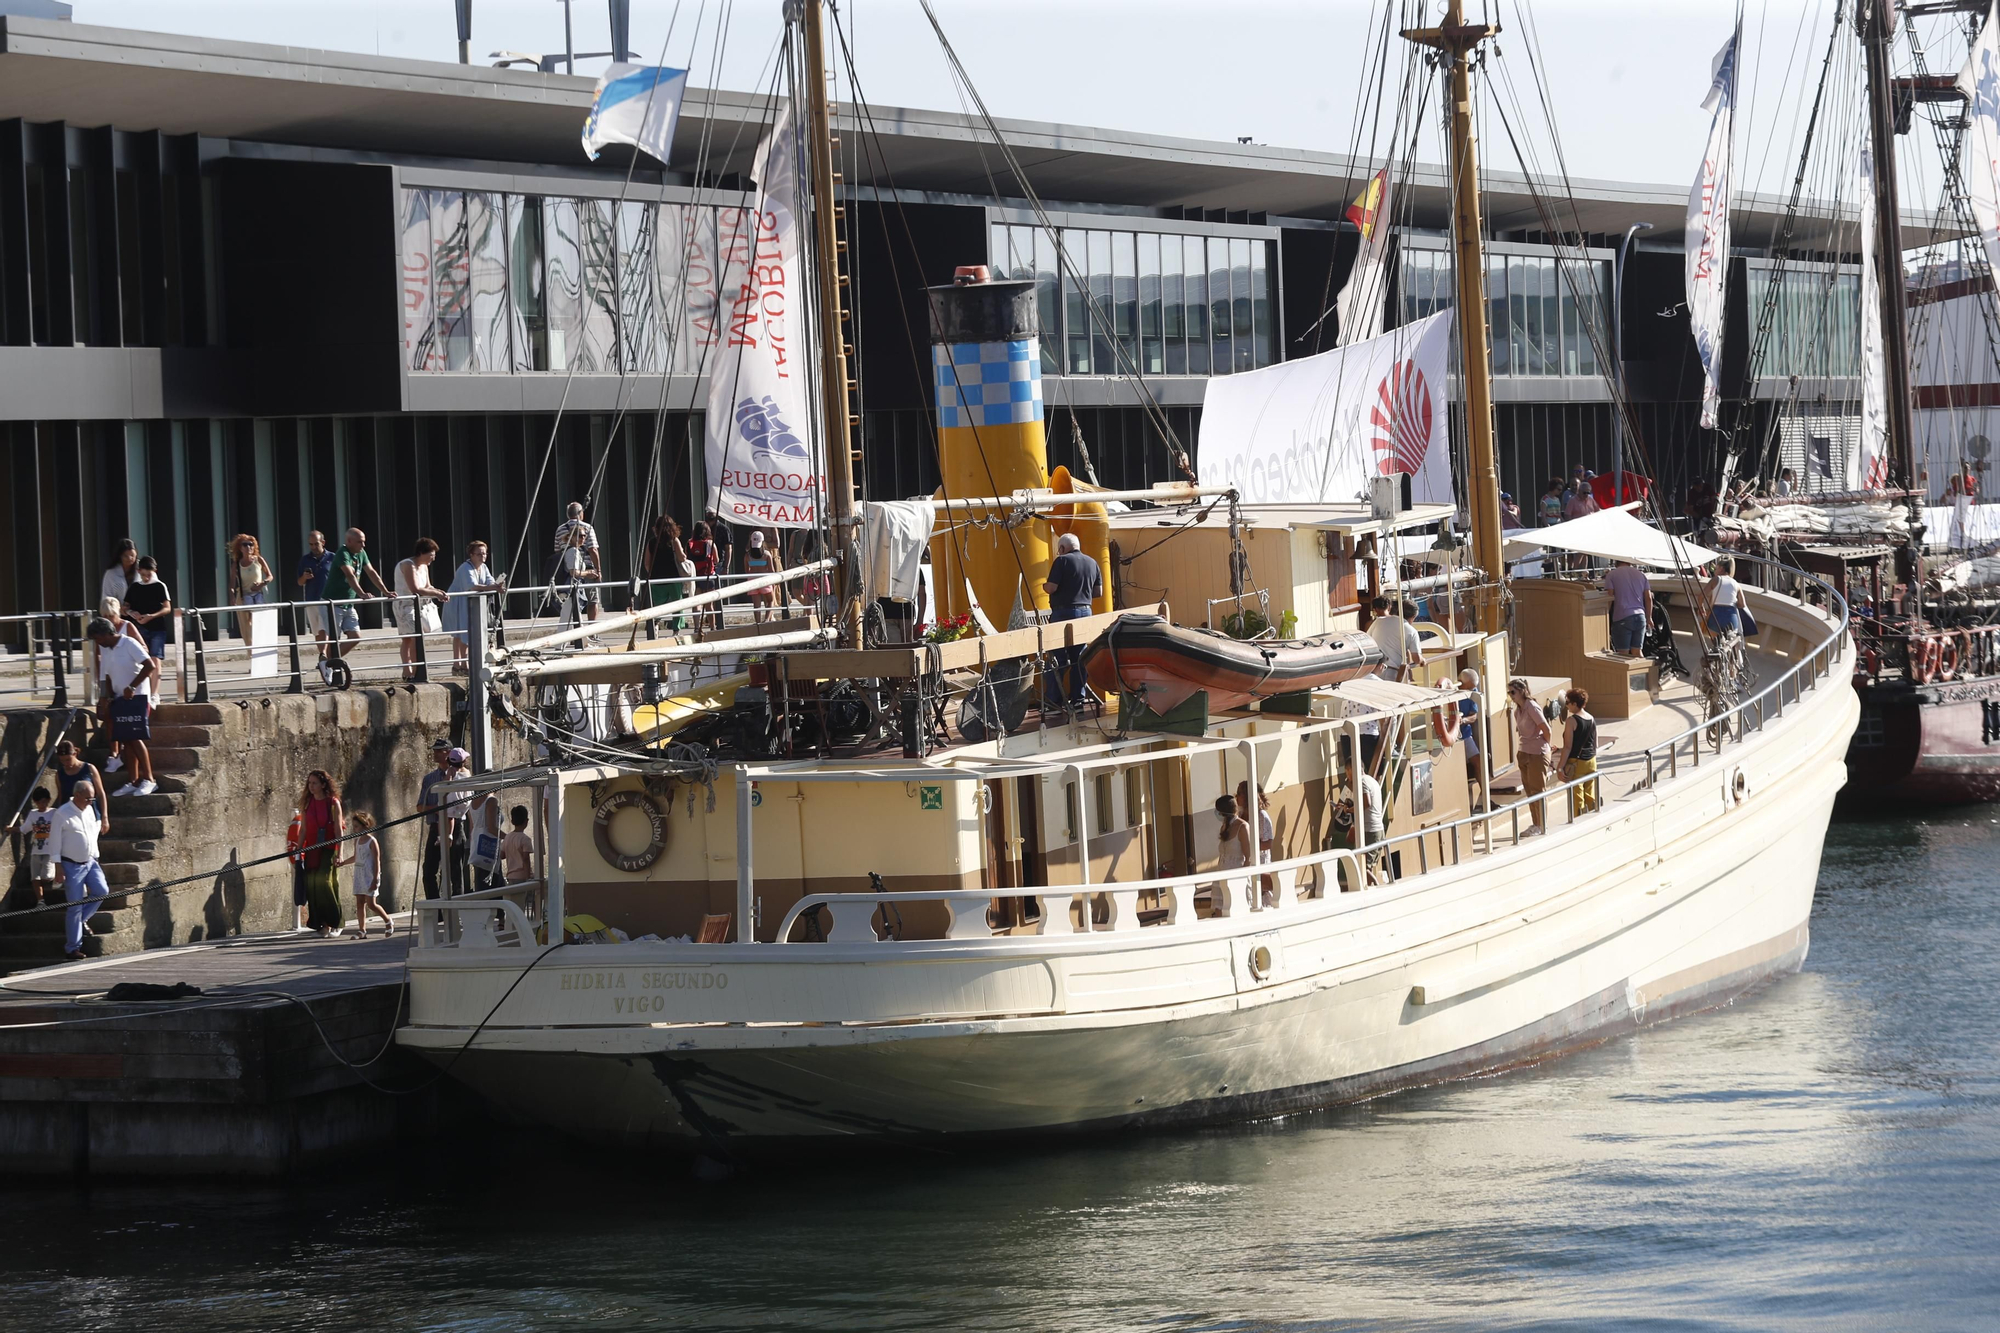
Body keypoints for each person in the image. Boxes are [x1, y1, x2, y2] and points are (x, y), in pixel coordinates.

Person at [88, 616, 158, 797]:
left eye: (98, 638)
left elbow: (149, 665)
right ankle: (133, 781)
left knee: (135, 737)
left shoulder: (129, 643)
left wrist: (133, 686)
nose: (97, 642)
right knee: (125, 739)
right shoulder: (106, 650)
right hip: (119, 698)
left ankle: (149, 780)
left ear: (106, 634)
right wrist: (103, 699)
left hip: (138, 698)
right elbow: (105, 678)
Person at [1040, 532, 1104, 709]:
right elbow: (1098, 592)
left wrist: (1044, 586)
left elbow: (1052, 588)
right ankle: (1078, 699)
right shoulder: (1093, 562)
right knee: (1080, 658)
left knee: (1056, 658)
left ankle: (1054, 701)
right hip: (1086, 613)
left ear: (1061, 548)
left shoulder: (1062, 561)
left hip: (1063, 614)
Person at [49, 779, 106, 961]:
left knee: (102, 891)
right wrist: (58, 867)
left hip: (90, 861)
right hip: (71, 864)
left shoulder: (89, 809)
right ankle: (72, 948)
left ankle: (81, 921)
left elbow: (91, 833)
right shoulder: (62, 813)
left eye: (93, 799)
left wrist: (95, 855)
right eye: (89, 798)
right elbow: (55, 842)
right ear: (78, 795)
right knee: (74, 904)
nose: (91, 802)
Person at [441, 539, 506, 675]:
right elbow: (472, 586)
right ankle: (461, 664)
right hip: (458, 602)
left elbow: (489, 581)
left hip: (469, 603)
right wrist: (492, 587)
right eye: (479, 554)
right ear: (471, 555)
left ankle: (460, 665)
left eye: (485, 554)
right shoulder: (465, 568)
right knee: (461, 633)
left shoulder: (483, 567)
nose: (483, 557)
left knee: (462, 633)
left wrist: (496, 584)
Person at [327, 527, 391, 659]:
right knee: (334, 639)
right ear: (349, 541)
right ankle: (328, 664)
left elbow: (371, 572)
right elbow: (350, 575)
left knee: (355, 637)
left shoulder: (361, 552)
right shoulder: (343, 553)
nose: (363, 545)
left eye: (364, 542)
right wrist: (362, 594)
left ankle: (330, 661)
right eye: (359, 542)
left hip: (348, 603)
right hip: (334, 603)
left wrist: (386, 591)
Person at [418, 740, 470, 899]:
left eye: (439, 750)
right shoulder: (430, 778)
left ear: (448, 753)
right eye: (434, 750)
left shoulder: (463, 774)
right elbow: (420, 807)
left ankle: (456, 909)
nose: (435, 753)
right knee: (428, 871)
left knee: (455, 870)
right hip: (435, 825)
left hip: (457, 823)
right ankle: (436, 911)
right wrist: (440, 809)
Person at [297, 769, 345, 938]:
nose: (311, 786)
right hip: (311, 849)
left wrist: (340, 853)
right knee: (313, 886)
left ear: (323, 784)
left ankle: (336, 922)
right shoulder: (307, 803)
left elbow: (339, 830)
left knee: (326, 882)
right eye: (309, 783)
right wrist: (299, 848)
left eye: (314, 783)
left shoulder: (333, 803)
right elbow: (303, 829)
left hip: (329, 849)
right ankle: (322, 924)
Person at [393, 538, 450, 679]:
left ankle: (414, 669)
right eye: (430, 555)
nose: (433, 559)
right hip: (405, 606)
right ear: (421, 553)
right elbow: (415, 589)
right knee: (410, 638)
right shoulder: (408, 565)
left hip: (419, 606)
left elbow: (427, 586)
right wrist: (436, 593)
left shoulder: (424, 566)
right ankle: (411, 670)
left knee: (414, 638)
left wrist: (439, 592)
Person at [1508, 678, 1552, 837]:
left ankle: (1542, 824)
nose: (1511, 695)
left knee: (1538, 789)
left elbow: (1546, 729)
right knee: (1529, 790)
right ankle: (1536, 823)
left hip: (1537, 752)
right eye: (1509, 692)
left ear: (1521, 691)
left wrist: (1545, 746)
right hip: (1524, 752)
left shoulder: (1532, 707)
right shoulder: (1517, 711)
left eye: (1513, 692)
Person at [339, 810, 393, 939]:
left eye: (357, 826)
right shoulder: (356, 841)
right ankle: (362, 930)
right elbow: (356, 857)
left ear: (365, 825)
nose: (355, 829)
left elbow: (376, 860)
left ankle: (388, 921)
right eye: (354, 826)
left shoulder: (372, 841)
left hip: (370, 875)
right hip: (359, 874)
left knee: (371, 904)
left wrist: (375, 878)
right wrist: (343, 862)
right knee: (359, 902)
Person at [551, 502, 601, 621]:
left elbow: (557, 552)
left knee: (572, 600)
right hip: (587, 568)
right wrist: (598, 570)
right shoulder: (587, 528)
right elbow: (593, 549)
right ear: (580, 513)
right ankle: (592, 631)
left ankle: (575, 630)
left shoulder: (560, 529)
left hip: (567, 569)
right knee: (592, 599)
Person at [8, 787, 58, 905]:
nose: (42, 804)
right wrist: (10, 829)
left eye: (44, 801)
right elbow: (24, 828)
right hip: (36, 850)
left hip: (50, 850)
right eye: (39, 802)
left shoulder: (54, 812)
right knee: (35, 878)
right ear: (35, 802)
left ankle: (58, 875)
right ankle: (40, 901)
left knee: (47, 877)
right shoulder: (33, 814)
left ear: (49, 800)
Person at [295, 530, 336, 662]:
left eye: (316, 544)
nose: (313, 547)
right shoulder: (305, 559)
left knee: (325, 628)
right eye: (310, 544)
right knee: (317, 631)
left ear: (323, 542)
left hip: (327, 600)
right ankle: (322, 655)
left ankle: (325, 654)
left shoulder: (332, 558)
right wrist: (304, 577)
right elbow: (299, 582)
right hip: (311, 599)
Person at [121, 556, 173, 661]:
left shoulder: (160, 586)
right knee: (143, 659)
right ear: (138, 571)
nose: (146, 578)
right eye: (143, 575)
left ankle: (155, 678)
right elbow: (124, 607)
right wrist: (131, 612)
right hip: (139, 628)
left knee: (155, 658)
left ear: (154, 571)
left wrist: (151, 616)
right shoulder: (134, 587)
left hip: (157, 628)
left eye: (149, 575)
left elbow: (167, 608)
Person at [1235, 780, 1277, 908]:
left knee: (1260, 895)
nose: (1236, 797)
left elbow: (1268, 843)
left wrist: (1249, 845)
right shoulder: (1241, 815)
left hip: (1260, 861)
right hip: (1245, 861)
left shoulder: (1262, 816)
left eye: (1239, 794)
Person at [50, 741, 107, 834]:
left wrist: (104, 817)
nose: (66, 763)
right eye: (62, 761)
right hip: (69, 816)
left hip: (90, 813)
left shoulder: (89, 768)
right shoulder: (59, 774)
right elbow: (61, 795)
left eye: (68, 759)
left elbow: (101, 793)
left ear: (75, 754)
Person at [1212, 793, 1254, 918]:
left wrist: (1242, 878)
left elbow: (1248, 856)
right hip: (1221, 874)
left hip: (1236, 875)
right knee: (1220, 910)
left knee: (1236, 910)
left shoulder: (1242, 827)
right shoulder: (1224, 827)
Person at [227, 534, 275, 641]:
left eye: (251, 544)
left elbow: (270, 576)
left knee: (259, 622)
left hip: (258, 595)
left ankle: (260, 647)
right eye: (245, 545)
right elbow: (232, 584)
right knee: (246, 628)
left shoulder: (258, 560)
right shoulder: (237, 564)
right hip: (243, 597)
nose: (249, 547)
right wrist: (232, 596)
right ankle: (251, 652)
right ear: (240, 548)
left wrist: (263, 583)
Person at [1560, 687, 1599, 818]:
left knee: (1577, 798)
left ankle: (1578, 820)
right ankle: (1594, 816)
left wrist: (1560, 767)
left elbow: (1567, 747)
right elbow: (1595, 743)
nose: (1567, 706)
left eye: (1568, 702)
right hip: (1591, 761)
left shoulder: (1571, 721)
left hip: (1577, 762)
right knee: (1590, 794)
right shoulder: (1591, 718)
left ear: (1575, 704)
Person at [1603, 559, 1653, 657]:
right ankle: (1644, 672)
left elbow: (1609, 596)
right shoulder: (1641, 575)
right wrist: (1649, 617)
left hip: (1622, 617)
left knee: (1622, 654)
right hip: (1640, 617)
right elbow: (1649, 597)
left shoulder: (1612, 575)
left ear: (1616, 562)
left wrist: (1605, 616)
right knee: (1637, 652)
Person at [1368, 596, 1421, 683]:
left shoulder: (1379, 621)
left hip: (1374, 670)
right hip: (1392, 671)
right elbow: (1417, 659)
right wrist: (1423, 660)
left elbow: (1368, 640)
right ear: (1413, 617)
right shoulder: (1411, 631)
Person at [555, 524, 599, 629]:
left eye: (584, 536)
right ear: (572, 537)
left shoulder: (574, 550)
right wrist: (588, 573)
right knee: (569, 616)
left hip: (575, 588)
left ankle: (579, 640)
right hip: (572, 588)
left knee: (572, 616)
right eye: (580, 536)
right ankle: (575, 640)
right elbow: (573, 572)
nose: (583, 538)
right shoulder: (573, 551)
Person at [1456, 668, 1486, 811]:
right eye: (1471, 687)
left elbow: (1474, 716)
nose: (1474, 689)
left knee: (1478, 762)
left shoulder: (1473, 694)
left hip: (1465, 735)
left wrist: (1463, 720)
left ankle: (1485, 795)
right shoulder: (1452, 690)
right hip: (1451, 737)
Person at [743, 530, 784, 624]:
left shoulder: (747, 555)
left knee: (756, 605)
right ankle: (766, 619)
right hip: (765, 580)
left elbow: (746, 571)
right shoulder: (766, 554)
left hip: (753, 581)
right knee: (770, 600)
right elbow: (771, 570)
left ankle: (757, 622)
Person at [687, 521, 719, 628]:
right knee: (709, 605)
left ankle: (696, 627)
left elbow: (687, 559)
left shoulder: (689, 543)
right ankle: (712, 626)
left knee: (696, 603)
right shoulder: (710, 543)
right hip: (708, 576)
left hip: (695, 576)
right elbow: (717, 560)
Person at [1705, 558, 1742, 636]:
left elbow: (1702, 595)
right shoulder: (1736, 584)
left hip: (1716, 614)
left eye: (1715, 568)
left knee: (1716, 641)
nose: (1714, 571)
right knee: (1730, 642)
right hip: (1731, 615)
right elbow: (1742, 604)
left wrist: (1701, 607)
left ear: (1721, 568)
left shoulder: (1715, 580)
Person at [499, 805, 534, 885]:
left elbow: (502, 855)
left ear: (512, 821)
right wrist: (528, 877)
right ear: (526, 821)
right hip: (522, 876)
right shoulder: (525, 839)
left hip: (511, 876)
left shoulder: (507, 837)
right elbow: (526, 859)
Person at [705, 508, 735, 599]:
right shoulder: (703, 528)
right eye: (708, 519)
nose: (710, 522)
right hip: (704, 562)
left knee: (716, 588)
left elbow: (728, 548)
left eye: (712, 519)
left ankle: (716, 611)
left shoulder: (723, 529)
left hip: (718, 562)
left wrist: (726, 566)